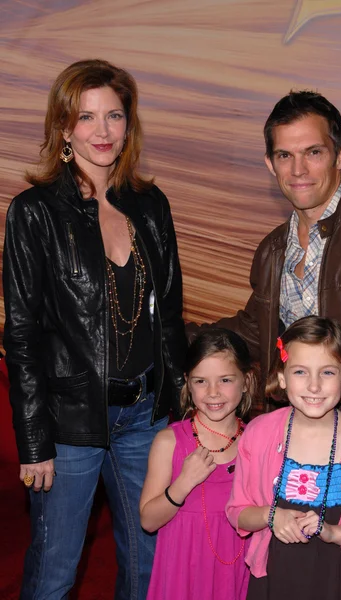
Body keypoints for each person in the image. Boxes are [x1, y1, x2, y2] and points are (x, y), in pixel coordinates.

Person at [192, 90, 341, 598]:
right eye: (284, 155)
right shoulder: (271, 250)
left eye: (314, 151)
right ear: (270, 164)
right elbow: (252, 332)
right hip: (293, 476)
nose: (299, 168)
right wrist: (169, 338)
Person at [3, 59, 187, 600]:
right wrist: (35, 442)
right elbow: (21, 335)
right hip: (70, 424)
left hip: (145, 420)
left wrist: (183, 415)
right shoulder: (34, 213)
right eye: (86, 117)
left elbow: (170, 319)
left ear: (129, 125)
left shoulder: (150, 206)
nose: (102, 131)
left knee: (148, 568)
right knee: (54, 572)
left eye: (114, 115)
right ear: (64, 127)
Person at [226, 316, 341, 600]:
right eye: (300, 372)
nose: (314, 386)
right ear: (282, 377)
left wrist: (333, 533)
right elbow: (237, 511)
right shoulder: (259, 434)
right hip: (273, 580)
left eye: (328, 373)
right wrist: (271, 516)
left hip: (338, 584)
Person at [139, 329, 257, 599]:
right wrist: (183, 483)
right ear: (187, 384)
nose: (213, 392)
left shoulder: (257, 441)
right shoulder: (169, 442)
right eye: (201, 381)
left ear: (246, 381)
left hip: (238, 573)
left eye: (225, 380)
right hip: (183, 576)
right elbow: (148, 521)